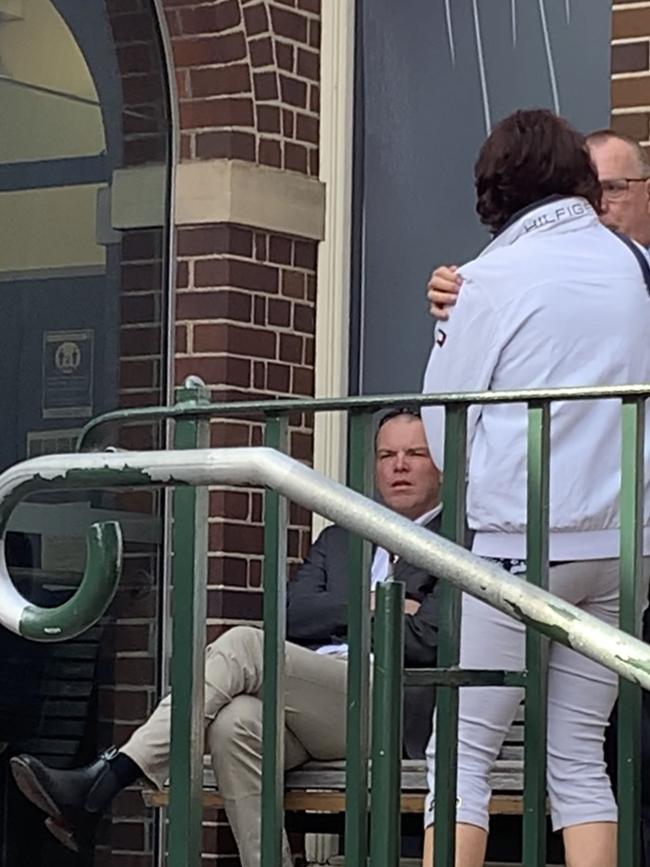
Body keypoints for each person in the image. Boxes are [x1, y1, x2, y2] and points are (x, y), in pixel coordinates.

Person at [10, 408, 442, 867]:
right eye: (387, 454)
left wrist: (336, 613)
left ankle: (108, 780)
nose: (399, 465)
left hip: (387, 707)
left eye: (415, 453)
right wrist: (376, 608)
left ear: (440, 464)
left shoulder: (459, 543)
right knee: (236, 722)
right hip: (314, 704)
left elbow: (424, 640)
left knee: (242, 645)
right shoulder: (340, 539)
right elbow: (291, 617)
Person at [419, 109, 650, 867]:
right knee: (579, 757)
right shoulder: (632, 267)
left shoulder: (484, 282)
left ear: (495, 190)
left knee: (461, 755)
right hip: (622, 543)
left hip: (520, 542)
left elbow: (439, 416)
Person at [426, 128, 650, 320]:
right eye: (588, 192)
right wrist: (461, 289)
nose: (599, 205)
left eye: (613, 188)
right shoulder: (557, 269)